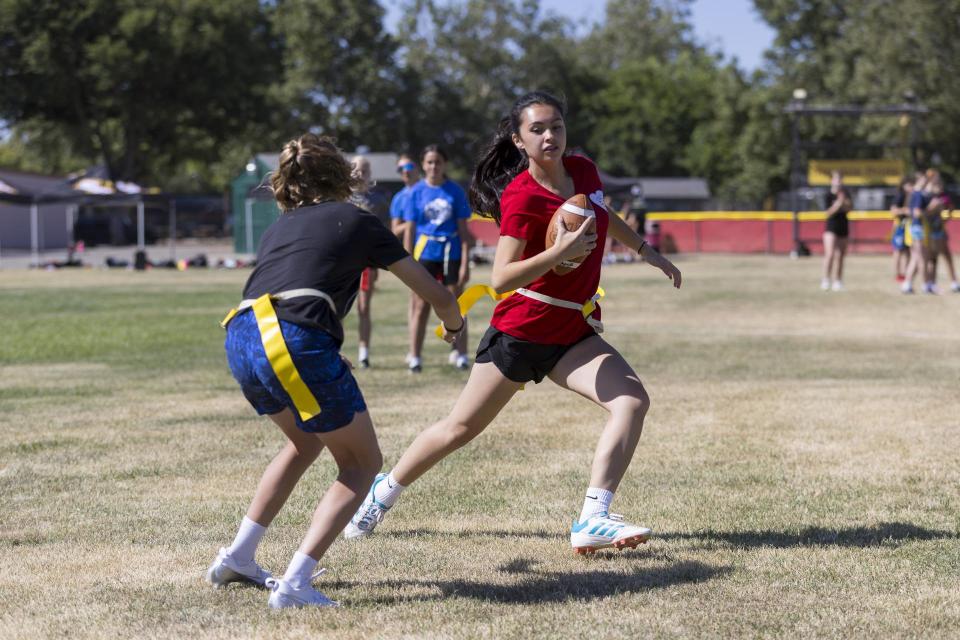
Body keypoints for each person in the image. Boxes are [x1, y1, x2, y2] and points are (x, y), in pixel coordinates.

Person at [343, 91, 682, 555]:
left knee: (631, 401)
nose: (550, 136)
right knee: (458, 429)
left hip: (571, 331)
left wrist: (647, 251)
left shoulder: (583, 171)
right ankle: (384, 491)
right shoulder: (522, 195)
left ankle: (593, 517)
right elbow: (501, 279)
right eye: (538, 129)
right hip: (520, 331)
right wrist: (559, 253)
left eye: (556, 126)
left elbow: (601, 214)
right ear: (520, 140)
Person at [207, 133, 463, 609]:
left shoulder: (278, 228)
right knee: (361, 463)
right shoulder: (359, 221)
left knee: (303, 442)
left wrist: (314, 347)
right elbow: (438, 295)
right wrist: (453, 326)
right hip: (293, 337)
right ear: (342, 174)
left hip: (242, 333)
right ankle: (296, 583)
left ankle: (239, 555)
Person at [404, 145, 473, 372]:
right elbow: (410, 231)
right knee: (420, 306)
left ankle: (461, 353)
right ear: (423, 165)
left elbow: (465, 234)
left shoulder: (455, 191)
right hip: (424, 255)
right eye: (429, 162)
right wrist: (406, 263)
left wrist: (464, 263)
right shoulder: (415, 192)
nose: (434, 167)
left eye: (438, 162)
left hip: (450, 254)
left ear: (444, 164)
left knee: (457, 305)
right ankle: (415, 357)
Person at [348, 155, 391, 368]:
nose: (359, 174)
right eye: (355, 169)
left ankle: (363, 352)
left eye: (364, 170)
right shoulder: (342, 198)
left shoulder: (378, 201)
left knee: (364, 307)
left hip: (366, 261)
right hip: (344, 260)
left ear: (370, 174)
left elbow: (383, 231)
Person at [390, 154, 420, 364]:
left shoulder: (426, 190)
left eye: (409, 167)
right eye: (401, 169)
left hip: (438, 250)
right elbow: (395, 229)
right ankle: (413, 350)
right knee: (415, 303)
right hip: (415, 253)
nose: (406, 171)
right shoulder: (399, 198)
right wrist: (409, 225)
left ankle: (458, 351)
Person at [924, 171, 959, 293]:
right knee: (931, 258)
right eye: (936, 182)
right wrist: (932, 208)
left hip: (940, 230)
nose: (938, 185)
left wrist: (945, 219)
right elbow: (922, 213)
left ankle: (954, 282)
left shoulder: (943, 196)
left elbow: (951, 208)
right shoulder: (926, 196)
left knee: (946, 256)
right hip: (929, 231)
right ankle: (930, 283)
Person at [821, 171, 852, 291]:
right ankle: (825, 279)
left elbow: (849, 209)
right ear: (832, 181)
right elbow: (827, 212)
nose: (838, 182)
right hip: (831, 227)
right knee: (830, 254)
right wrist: (838, 204)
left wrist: (844, 202)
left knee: (840, 256)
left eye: (840, 180)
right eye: (836, 179)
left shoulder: (845, 194)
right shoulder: (828, 195)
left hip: (843, 226)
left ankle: (838, 281)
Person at [901, 173, 931, 294]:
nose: (926, 181)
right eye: (924, 179)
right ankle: (925, 285)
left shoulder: (915, 194)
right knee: (921, 257)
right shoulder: (918, 194)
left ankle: (906, 284)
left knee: (915, 257)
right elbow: (917, 213)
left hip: (914, 227)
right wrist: (930, 210)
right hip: (918, 227)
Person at [889, 177, 913, 284]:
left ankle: (906, 273)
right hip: (900, 227)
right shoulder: (900, 196)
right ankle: (898, 274)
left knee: (908, 251)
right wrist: (904, 210)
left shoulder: (913, 197)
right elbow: (893, 211)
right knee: (898, 251)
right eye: (909, 185)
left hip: (909, 227)